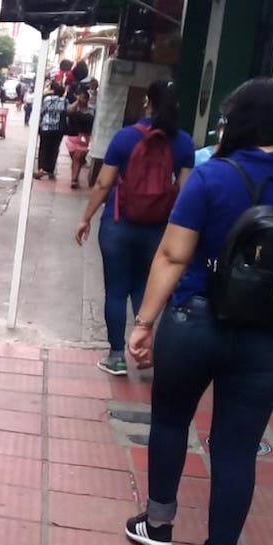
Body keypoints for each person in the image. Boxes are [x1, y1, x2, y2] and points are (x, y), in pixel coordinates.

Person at [122, 78, 273, 545]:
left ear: (234, 120)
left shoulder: (212, 177)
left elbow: (172, 256)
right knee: (237, 448)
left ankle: (158, 522)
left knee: (171, 421)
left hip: (196, 322)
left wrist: (144, 322)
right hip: (268, 337)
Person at [75, 80, 195, 375]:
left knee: (116, 290)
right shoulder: (183, 143)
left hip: (118, 224)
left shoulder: (125, 137)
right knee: (146, 287)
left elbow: (103, 183)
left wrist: (86, 217)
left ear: (147, 103)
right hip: (157, 229)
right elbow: (187, 192)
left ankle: (116, 356)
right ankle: (144, 350)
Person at [34, 81, 68, 180]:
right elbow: (67, 113)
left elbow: (41, 111)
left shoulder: (47, 99)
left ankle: (41, 168)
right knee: (54, 149)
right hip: (58, 129)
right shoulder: (64, 101)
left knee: (43, 148)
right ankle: (50, 170)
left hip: (46, 127)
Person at [64, 87, 95, 189]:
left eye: (84, 98)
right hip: (72, 137)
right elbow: (68, 112)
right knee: (75, 159)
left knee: (77, 158)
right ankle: (75, 174)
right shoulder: (74, 108)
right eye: (80, 97)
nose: (82, 100)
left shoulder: (91, 111)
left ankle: (74, 180)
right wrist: (77, 101)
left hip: (84, 137)